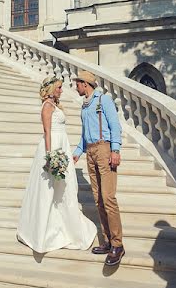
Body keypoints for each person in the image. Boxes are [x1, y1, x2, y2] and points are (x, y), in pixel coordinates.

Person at [16, 76, 97, 253]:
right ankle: (43, 231)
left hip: (62, 145)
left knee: (63, 188)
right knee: (49, 190)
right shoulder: (46, 106)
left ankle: (64, 225)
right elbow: (47, 131)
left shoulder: (55, 105)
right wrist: (50, 156)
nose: (61, 90)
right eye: (59, 87)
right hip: (53, 148)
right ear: (51, 89)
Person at [72, 70, 125, 266]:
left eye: (77, 83)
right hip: (91, 152)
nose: (75, 86)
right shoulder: (84, 106)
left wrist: (115, 150)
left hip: (104, 149)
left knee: (108, 198)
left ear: (85, 84)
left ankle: (118, 245)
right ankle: (108, 241)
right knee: (98, 199)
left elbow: (115, 126)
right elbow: (84, 134)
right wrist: (78, 151)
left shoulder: (104, 100)